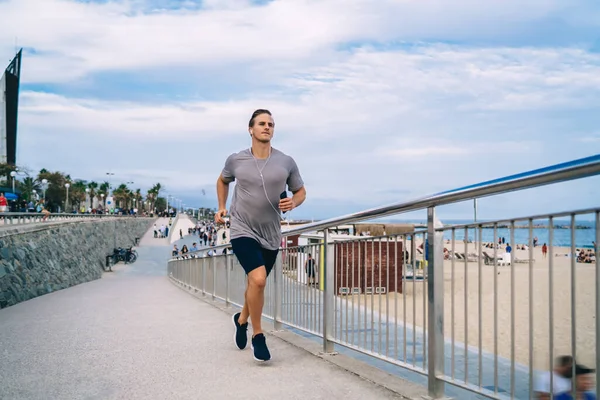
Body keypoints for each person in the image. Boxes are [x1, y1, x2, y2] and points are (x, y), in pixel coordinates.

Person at [215, 109, 306, 362]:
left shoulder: (286, 162)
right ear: (250, 129)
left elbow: (300, 191)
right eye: (262, 123)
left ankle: (241, 319)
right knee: (259, 279)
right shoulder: (236, 160)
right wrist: (222, 206)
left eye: (271, 124)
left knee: (255, 283)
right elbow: (222, 181)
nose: (267, 127)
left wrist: (294, 203)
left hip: (270, 233)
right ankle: (258, 335)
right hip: (242, 229)